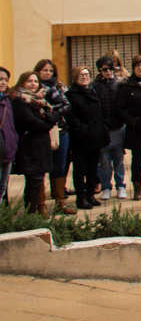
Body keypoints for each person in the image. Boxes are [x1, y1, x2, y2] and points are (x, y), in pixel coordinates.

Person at [10, 72, 60, 214]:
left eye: (36, 81)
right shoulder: (20, 101)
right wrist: (49, 121)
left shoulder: (38, 101)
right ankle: (30, 214)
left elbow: (54, 115)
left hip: (41, 146)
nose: (33, 84)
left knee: (36, 182)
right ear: (22, 83)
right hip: (29, 148)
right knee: (33, 182)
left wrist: (49, 119)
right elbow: (34, 123)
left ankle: (33, 212)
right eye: (29, 81)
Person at [115, 55, 141, 201]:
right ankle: (137, 188)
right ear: (133, 68)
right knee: (137, 160)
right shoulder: (126, 85)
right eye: (138, 66)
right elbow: (120, 109)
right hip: (136, 128)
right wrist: (132, 122)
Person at [34, 60, 74, 214]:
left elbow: (67, 105)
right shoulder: (34, 87)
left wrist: (53, 113)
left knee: (60, 166)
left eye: (50, 71)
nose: (48, 73)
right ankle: (41, 204)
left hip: (61, 130)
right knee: (42, 167)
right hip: (42, 132)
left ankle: (60, 202)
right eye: (44, 70)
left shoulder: (59, 86)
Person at [65, 67, 109, 209]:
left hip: (95, 138)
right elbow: (71, 117)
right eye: (81, 75)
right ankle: (81, 198)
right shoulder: (71, 95)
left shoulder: (92, 91)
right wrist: (83, 130)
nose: (84, 77)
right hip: (80, 139)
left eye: (86, 74)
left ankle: (90, 195)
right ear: (75, 77)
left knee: (92, 168)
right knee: (79, 170)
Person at [93, 56, 125, 200]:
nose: (109, 72)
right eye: (105, 69)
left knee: (119, 160)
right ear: (100, 70)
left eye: (111, 68)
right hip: (102, 129)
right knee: (104, 162)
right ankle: (106, 187)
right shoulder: (94, 86)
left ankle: (121, 186)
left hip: (117, 128)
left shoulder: (119, 84)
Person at [0, 67, 17, 204]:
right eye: (0, 79)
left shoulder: (7, 101)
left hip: (7, 151)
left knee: (2, 188)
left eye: (5, 80)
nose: (3, 82)